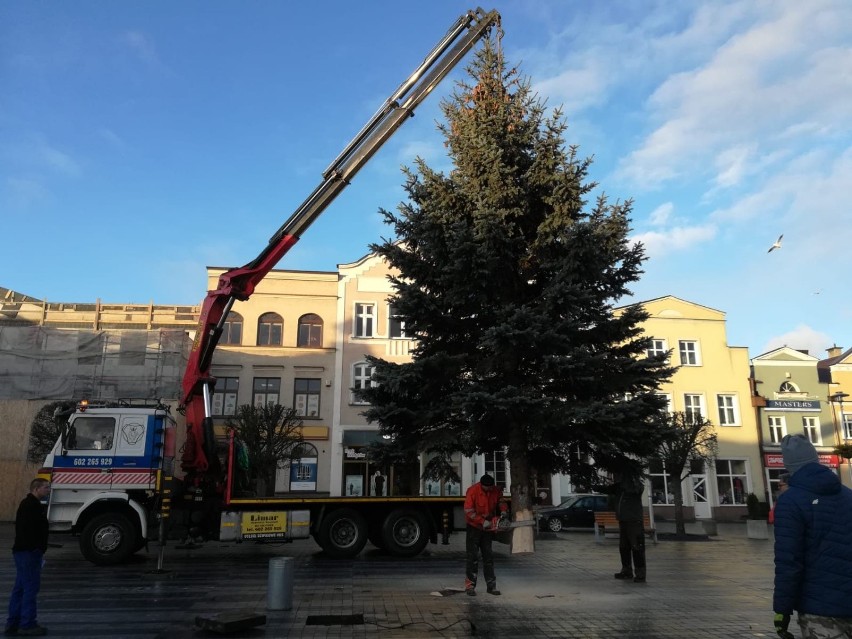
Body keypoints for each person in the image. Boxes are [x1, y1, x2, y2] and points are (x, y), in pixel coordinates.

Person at [773, 434, 852, 639]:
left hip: (820, 607)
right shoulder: (847, 495)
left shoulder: (789, 502)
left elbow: (788, 561)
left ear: (788, 464)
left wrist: (782, 609)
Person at [6, 478, 51, 637]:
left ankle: (13, 622)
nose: (48, 491)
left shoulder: (27, 504)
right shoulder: (33, 506)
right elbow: (32, 530)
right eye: (46, 488)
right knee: (30, 588)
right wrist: (37, 548)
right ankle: (27, 624)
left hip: (22, 551)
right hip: (29, 553)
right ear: (36, 489)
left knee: (20, 588)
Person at [463, 474, 507, 596]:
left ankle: (491, 586)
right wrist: (482, 521)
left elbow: (501, 501)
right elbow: (468, 511)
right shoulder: (473, 491)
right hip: (474, 527)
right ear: (481, 485)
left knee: (488, 557)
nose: (489, 490)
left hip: (487, 529)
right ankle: (470, 586)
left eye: (490, 488)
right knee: (472, 557)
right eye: (486, 488)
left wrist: (503, 510)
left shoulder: (495, 490)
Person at [612, 466, 647, 584]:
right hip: (623, 521)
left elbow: (638, 488)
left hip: (634, 522)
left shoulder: (635, 487)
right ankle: (626, 571)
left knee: (637, 547)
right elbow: (608, 489)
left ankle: (640, 574)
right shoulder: (620, 488)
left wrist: (630, 479)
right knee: (624, 548)